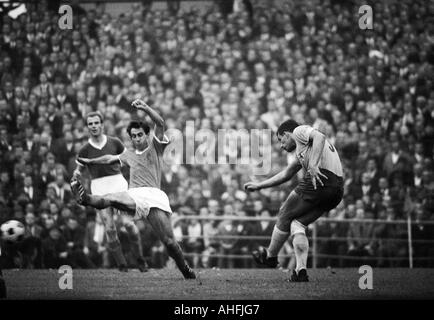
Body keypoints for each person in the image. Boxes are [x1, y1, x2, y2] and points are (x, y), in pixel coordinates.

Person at [71, 99, 196, 279]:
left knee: (169, 243)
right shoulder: (128, 154)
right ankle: (84, 198)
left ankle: (185, 269)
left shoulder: (155, 147)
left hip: (154, 196)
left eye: (140, 135)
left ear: (146, 135)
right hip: (134, 194)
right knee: (110, 199)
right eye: (134, 136)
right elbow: (109, 158)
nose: (137, 139)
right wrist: (91, 162)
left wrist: (145, 108)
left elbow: (160, 123)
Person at [244, 119, 344, 281]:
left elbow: (320, 136)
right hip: (337, 190)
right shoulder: (304, 150)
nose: (281, 146)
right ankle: (300, 271)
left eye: (280, 140)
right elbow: (286, 174)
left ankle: (270, 256)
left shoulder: (299, 131)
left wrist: (312, 165)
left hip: (321, 180)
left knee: (284, 212)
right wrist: (260, 185)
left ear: (286, 134)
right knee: (297, 224)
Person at [73, 111, 147, 272]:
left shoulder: (114, 142)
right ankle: (122, 265)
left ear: (102, 124)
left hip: (117, 184)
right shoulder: (84, 149)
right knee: (109, 228)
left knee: (128, 225)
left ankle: (140, 259)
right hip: (99, 187)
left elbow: (128, 159)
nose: (93, 126)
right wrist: (76, 173)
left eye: (96, 123)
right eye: (90, 124)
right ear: (87, 127)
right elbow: (79, 168)